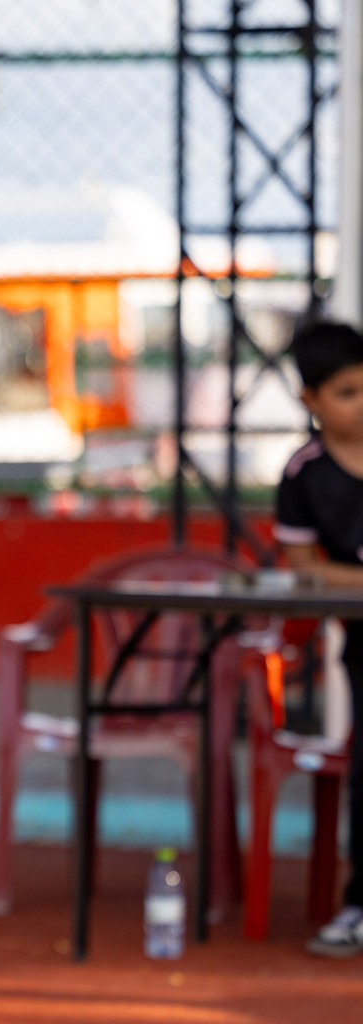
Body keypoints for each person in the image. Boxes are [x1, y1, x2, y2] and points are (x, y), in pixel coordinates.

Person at [273, 319, 363, 957]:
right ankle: (360, 903)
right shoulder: (304, 474)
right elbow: (301, 569)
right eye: (348, 392)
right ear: (310, 400)